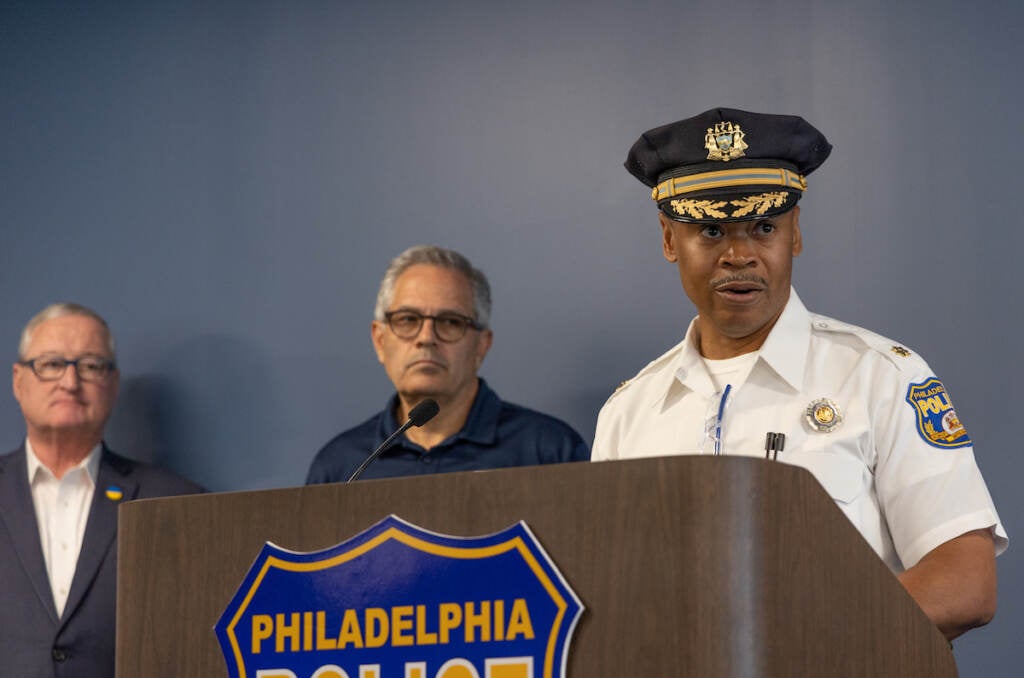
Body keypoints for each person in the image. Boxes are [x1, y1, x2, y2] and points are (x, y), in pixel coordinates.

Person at [592, 107, 1006, 640]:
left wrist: (788, 639)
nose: (739, 255)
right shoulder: (629, 413)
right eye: (710, 230)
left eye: (763, 226)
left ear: (795, 235)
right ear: (670, 241)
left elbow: (965, 584)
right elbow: (602, 600)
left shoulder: (877, 376)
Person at [0, 303, 204, 678]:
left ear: (113, 383)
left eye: (91, 365)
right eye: (50, 364)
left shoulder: (177, 503)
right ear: (18, 380)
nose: (70, 382)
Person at [307, 245, 589, 483]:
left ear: (482, 345)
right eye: (408, 320)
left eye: (450, 322)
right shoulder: (341, 466)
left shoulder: (549, 452)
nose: (426, 338)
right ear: (380, 340)